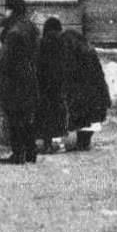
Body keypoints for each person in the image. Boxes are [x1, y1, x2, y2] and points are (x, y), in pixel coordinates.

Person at [0, 0, 39, 165]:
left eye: (7, 10)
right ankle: (31, 152)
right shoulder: (31, 27)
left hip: (15, 80)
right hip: (29, 76)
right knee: (26, 117)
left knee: (14, 117)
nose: (5, 13)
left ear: (12, 11)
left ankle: (18, 154)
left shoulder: (14, 32)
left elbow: (5, 60)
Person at [63, 28, 111, 151]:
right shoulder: (89, 50)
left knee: (83, 118)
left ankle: (82, 143)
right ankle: (84, 142)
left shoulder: (73, 53)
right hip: (94, 92)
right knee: (90, 120)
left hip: (83, 93)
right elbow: (98, 73)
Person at [35, 17, 69, 154]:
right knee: (58, 113)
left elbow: (36, 62)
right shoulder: (63, 43)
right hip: (58, 84)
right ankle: (58, 144)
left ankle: (45, 143)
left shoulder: (40, 43)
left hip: (43, 84)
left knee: (44, 113)